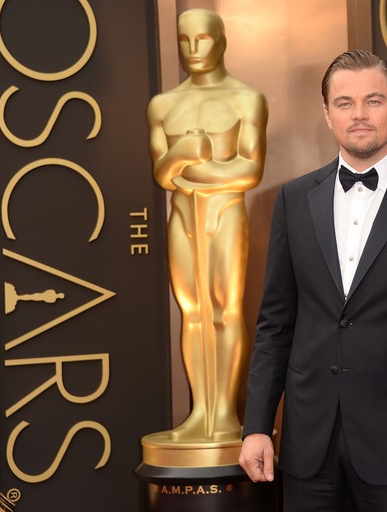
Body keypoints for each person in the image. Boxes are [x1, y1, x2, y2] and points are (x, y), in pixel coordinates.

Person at [238, 50, 387, 512]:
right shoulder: (292, 200)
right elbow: (274, 325)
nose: (360, 114)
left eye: (374, 100)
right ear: (327, 113)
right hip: (308, 445)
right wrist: (257, 426)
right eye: (345, 103)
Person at [147, 8, 268, 442]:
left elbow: (250, 170)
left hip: (224, 213)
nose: (193, 49)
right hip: (183, 215)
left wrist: (187, 167)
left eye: (202, 39)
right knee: (193, 312)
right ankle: (201, 411)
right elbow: (162, 174)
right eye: (185, 40)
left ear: (221, 41)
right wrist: (182, 155)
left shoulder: (246, 99)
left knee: (225, 307)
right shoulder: (163, 105)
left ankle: (227, 414)